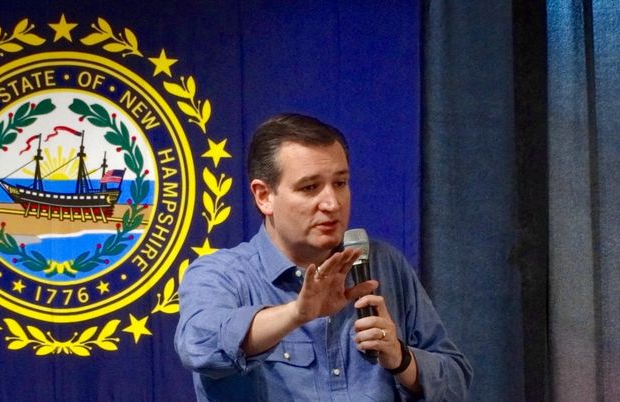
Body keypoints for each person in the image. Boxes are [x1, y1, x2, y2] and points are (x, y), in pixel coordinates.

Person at [174, 113, 472, 401]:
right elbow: (198, 347)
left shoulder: (383, 264)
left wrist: (401, 358)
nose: (331, 203)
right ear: (264, 196)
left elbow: (457, 382)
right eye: (310, 187)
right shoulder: (220, 274)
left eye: (340, 183)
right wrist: (296, 314)